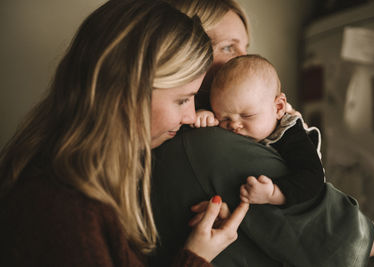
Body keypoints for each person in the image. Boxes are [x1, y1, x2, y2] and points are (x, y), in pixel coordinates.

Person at [0, 1, 250, 266]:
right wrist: (195, 258)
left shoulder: (101, 185)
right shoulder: (61, 209)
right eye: (182, 100)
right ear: (127, 92)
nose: (190, 117)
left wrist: (189, 241)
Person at [151, 0, 374, 266]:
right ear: (186, 55)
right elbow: (373, 241)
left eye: (245, 47)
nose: (241, 59)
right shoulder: (211, 144)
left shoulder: (178, 143)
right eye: (228, 47)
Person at [194, 54, 325, 207]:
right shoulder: (238, 122)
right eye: (224, 118)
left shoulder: (291, 134)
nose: (234, 125)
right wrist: (207, 117)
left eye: (247, 115)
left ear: (278, 107)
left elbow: (313, 178)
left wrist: (273, 194)